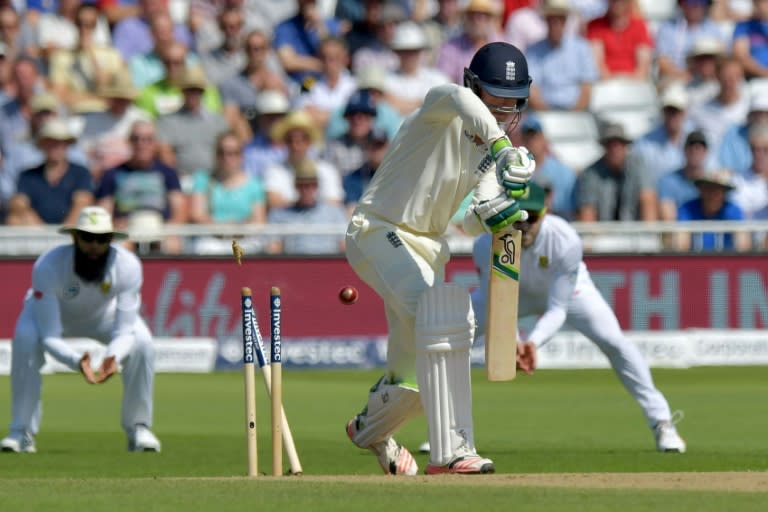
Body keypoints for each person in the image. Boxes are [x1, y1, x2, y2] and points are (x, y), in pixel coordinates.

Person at [344, 42, 536, 476]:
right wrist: (505, 146)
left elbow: (470, 219)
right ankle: (453, 451)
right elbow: (460, 100)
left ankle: (369, 429)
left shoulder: (490, 155)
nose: (504, 111)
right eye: (496, 100)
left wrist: (499, 211)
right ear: (474, 86)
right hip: (379, 230)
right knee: (446, 316)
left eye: (513, 104)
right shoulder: (442, 105)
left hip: (428, 248)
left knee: (413, 380)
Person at [469, 182, 687, 453]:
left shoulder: (565, 239)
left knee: (615, 342)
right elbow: (498, 303)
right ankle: (449, 432)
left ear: (545, 214)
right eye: (516, 217)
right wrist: (513, 339)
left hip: (570, 293)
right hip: (507, 295)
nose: (523, 225)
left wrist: (532, 342)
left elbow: (558, 308)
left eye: (531, 217)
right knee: (454, 336)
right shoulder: (484, 244)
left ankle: (662, 422)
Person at [0, 206, 161, 454]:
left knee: (142, 342)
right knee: (26, 338)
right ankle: (21, 431)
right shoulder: (49, 265)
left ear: (110, 240)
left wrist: (112, 358)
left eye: (102, 239)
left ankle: (138, 428)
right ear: (75, 238)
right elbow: (49, 335)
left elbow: (125, 332)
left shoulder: (128, 265)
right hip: (52, 316)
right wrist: (77, 362)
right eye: (87, 238)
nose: (94, 246)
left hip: (102, 315)